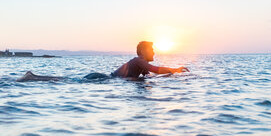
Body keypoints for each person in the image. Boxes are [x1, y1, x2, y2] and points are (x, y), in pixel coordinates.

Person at [17, 41, 189, 82]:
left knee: (64, 81)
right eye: (152, 49)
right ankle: (32, 77)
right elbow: (156, 69)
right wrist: (177, 70)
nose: (154, 51)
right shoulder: (140, 60)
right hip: (102, 78)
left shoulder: (139, 63)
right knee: (64, 81)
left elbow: (150, 73)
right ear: (144, 50)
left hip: (103, 78)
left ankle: (34, 76)